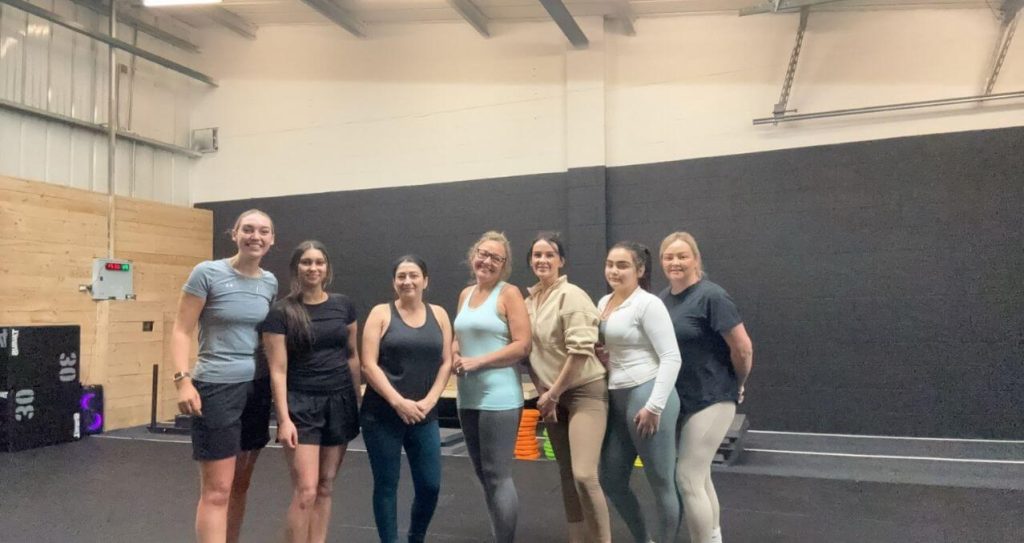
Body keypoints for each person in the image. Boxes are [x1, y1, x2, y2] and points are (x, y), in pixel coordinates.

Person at [171, 209, 278, 543]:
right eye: (248, 229)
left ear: (272, 240)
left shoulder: (269, 282)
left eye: (263, 231)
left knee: (239, 486)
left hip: (257, 390)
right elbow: (181, 330)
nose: (255, 237)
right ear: (234, 234)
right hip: (216, 388)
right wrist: (182, 380)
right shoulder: (207, 273)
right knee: (217, 490)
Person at [261, 240, 361, 543]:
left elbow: (352, 355)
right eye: (306, 262)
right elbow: (277, 369)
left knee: (326, 485)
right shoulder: (281, 312)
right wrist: (284, 419)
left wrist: (356, 401)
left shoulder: (343, 306)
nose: (313, 268)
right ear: (296, 268)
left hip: (339, 402)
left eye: (319, 262)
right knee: (305, 490)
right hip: (301, 405)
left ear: (327, 267)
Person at [659, 232, 753, 543]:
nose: (676, 262)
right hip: (682, 400)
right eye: (669, 257)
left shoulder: (712, 296)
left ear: (696, 260)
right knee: (700, 477)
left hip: (713, 397)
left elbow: (743, 349)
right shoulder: (661, 300)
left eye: (682, 256)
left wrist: (738, 383)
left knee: (686, 478)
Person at [523, 233, 611, 543]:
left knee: (585, 475)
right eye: (537, 255)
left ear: (561, 261)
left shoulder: (572, 295)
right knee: (565, 474)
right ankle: (577, 538)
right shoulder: (529, 303)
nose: (542, 260)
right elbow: (527, 353)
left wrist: (554, 393)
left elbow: (580, 351)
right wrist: (542, 394)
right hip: (550, 396)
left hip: (584, 391)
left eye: (549, 255)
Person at [360, 255, 454, 543]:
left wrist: (429, 401)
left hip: (424, 414)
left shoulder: (438, 314)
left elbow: (447, 362)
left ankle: (416, 538)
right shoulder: (381, 313)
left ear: (425, 281)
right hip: (382, 415)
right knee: (387, 485)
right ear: (394, 282)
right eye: (401, 276)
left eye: (413, 275)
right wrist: (398, 402)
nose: (407, 281)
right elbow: (368, 364)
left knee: (430, 486)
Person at [597, 241, 683, 543]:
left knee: (661, 482)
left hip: (647, 393)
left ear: (640, 270)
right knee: (610, 478)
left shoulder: (648, 303)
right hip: (617, 396)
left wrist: (655, 406)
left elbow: (672, 357)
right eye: (610, 264)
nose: (614, 270)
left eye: (622, 265)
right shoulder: (603, 303)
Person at [451, 231, 531, 543]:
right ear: (474, 256)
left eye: (495, 258)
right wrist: (456, 352)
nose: (487, 261)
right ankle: (499, 534)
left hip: (499, 396)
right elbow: (461, 334)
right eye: (483, 254)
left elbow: (523, 345)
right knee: (483, 476)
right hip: (467, 395)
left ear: (504, 265)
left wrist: (479, 361)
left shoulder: (508, 293)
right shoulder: (465, 294)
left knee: (498, 475)